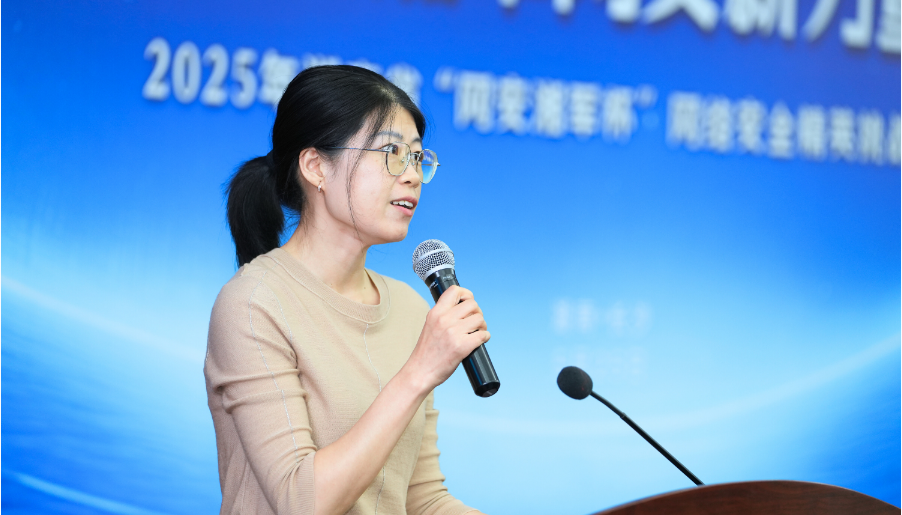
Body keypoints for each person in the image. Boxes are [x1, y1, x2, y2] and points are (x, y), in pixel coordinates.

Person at [204, 65, 490, 515]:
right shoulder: (254, 303)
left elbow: (423, 500)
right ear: (316, 166)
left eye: (417, 156)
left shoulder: (410, 308)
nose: (413, 175)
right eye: (391, 152)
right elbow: (300, 502)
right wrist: (419, 371)